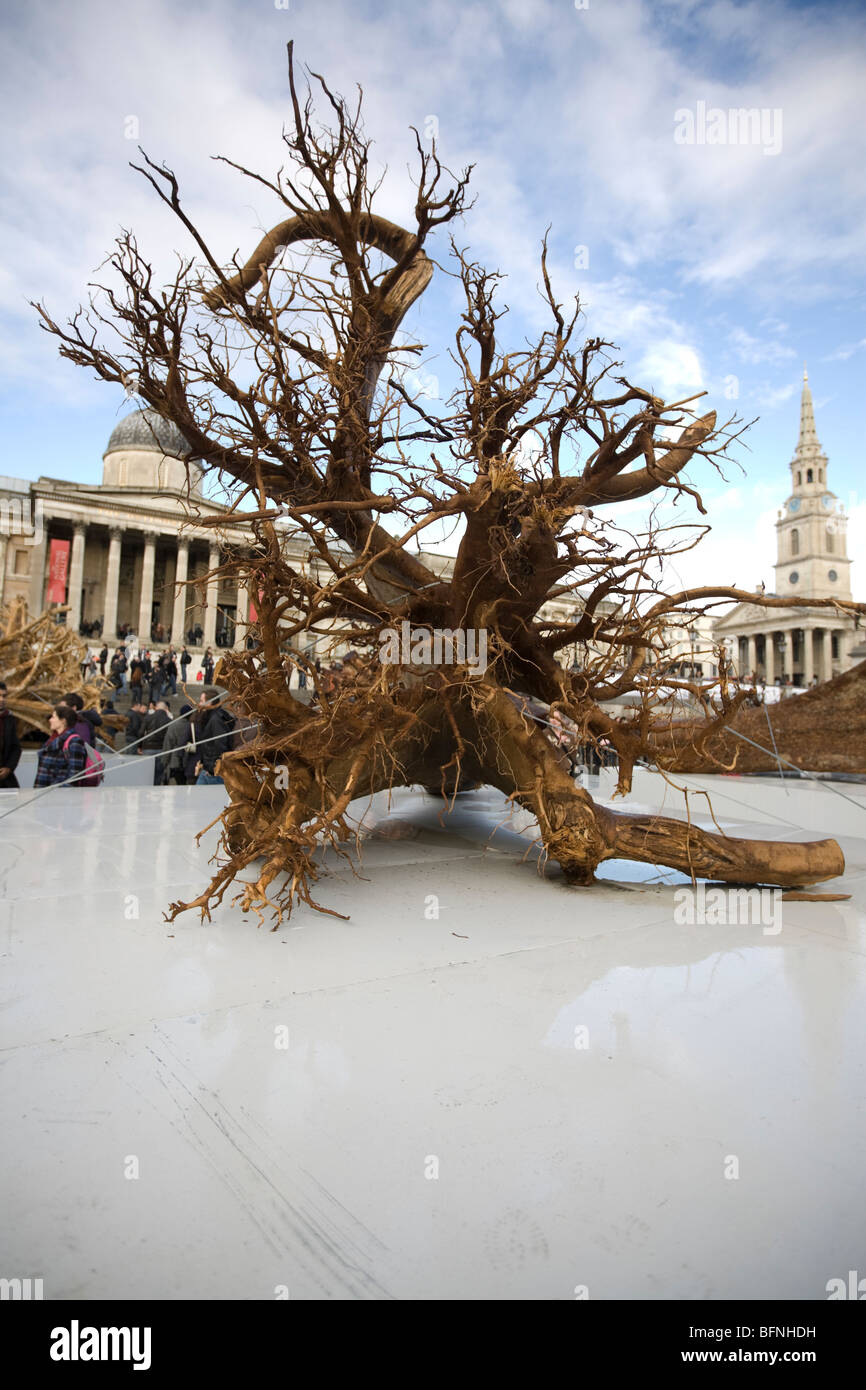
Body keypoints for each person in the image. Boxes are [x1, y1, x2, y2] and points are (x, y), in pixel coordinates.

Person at [34, 705, 88, 787]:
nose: (50, 720)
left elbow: (74, 777)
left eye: (53, 717)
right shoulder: (52, 740)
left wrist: (57, 792)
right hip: (44, 794)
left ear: (63, 721)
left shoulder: (74, 742)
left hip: (57, 796)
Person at [195, 701, 236, 785]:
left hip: (214, 771)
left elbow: (220, 744)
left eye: (202, 700)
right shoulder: (212, 717)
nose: (199, 703)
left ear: (209, 703)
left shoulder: (215, 719)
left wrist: (212, 768)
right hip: (210, 769)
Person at [142, 700, 172, 784]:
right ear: (166, 708)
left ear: (156, 707)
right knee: (158, 773)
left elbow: (141, 732)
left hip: (147, 748)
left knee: (146, 773)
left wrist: (140, 746)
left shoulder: (148, 717)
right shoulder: (169, 720)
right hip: (161, 748)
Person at [0, 680, 22, 789]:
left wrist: (8, 768)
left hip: (5, 780)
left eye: (4, 696)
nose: (2, 699)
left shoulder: (9, 718)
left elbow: (15, 747)